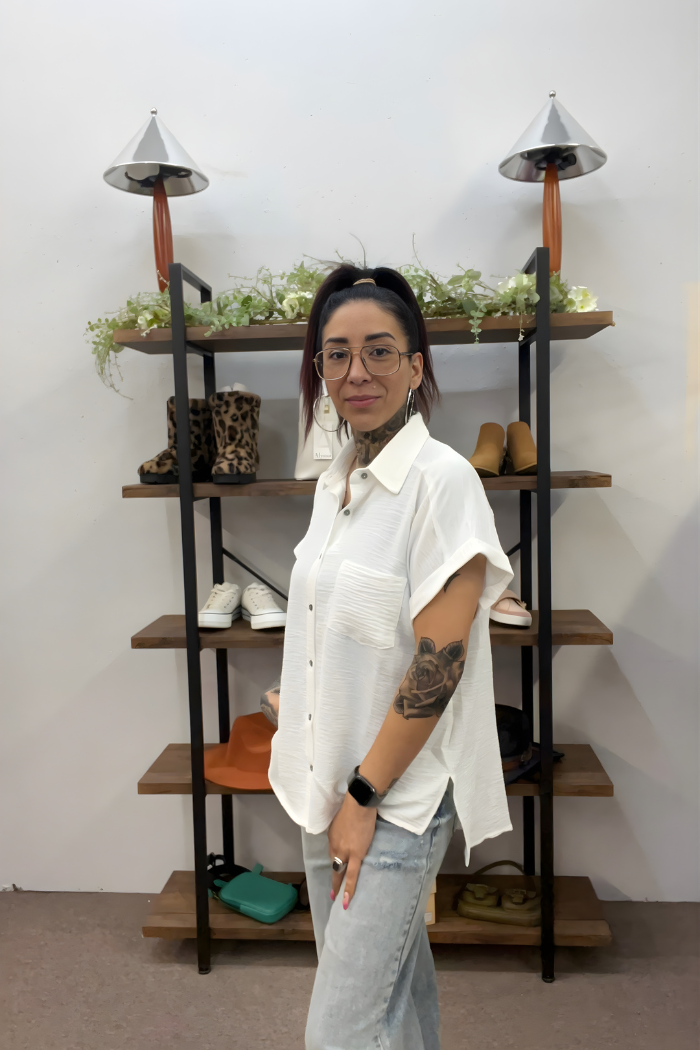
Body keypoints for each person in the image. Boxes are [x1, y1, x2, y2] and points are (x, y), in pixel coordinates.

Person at [268, 265, 513, 1050]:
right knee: (394, 1000)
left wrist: (365, 796)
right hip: (326, 777)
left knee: (342, 1032)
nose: (356, 372)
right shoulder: (337, 481)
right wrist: (299, 705)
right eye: (335, 355)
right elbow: (335, 618)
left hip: (390, 801)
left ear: (416, 366)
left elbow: (437, 665)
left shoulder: (442, 483)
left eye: (379, 351)